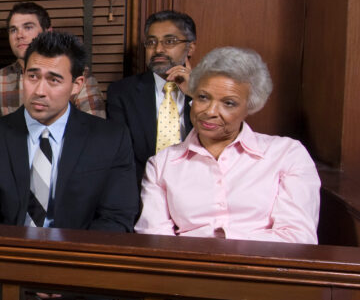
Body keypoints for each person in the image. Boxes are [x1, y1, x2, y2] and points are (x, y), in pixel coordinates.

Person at [136, 47, 320, 243]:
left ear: (250, 107)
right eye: (203, 97)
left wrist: (221, 242)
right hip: (187, 271)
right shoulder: (162, 164)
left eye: (229, 103)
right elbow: (155, 240)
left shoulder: (287, 155)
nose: (210, 111)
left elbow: (298, 238)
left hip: (264, 271)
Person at [0, 32, 138, 231]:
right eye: (33, 76)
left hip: (79, 256)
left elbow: (116, 219)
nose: (39, 91)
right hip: (6, 255)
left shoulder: (110, 139)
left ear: (76, 85)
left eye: (53, 80)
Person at [107, 10, 197, 183]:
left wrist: (194, 95)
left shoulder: (208, 92)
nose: (158, 50)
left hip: (196, 189)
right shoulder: (122, 93)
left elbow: (217, 142)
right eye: (151, 42)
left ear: (190, 47)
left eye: (169, 42)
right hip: (142, 191)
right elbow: (120, 157)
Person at [0, 1, 105, 121]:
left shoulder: (75, 74)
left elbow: (94, 128)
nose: (19, 35)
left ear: (48, 32)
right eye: (13, 30)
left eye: (28, 27)